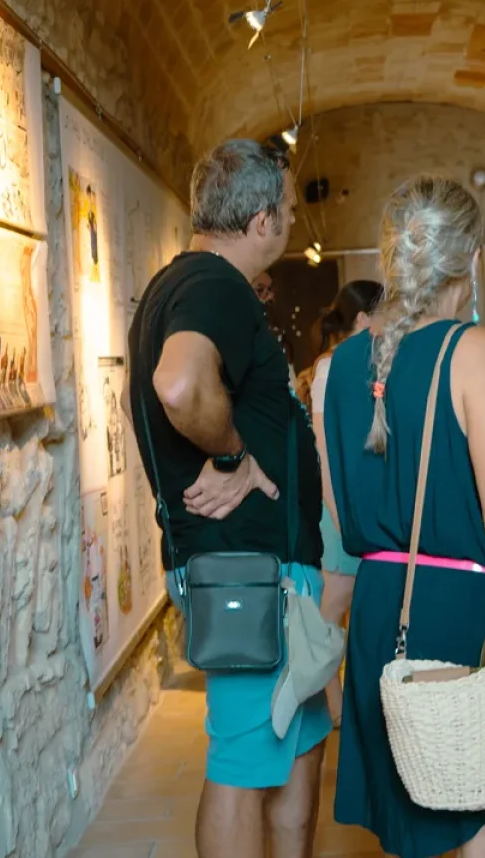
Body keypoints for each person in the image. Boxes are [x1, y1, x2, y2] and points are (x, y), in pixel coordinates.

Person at [321, 177, 485, 858]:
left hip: (383, 612)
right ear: (470, 256)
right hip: (467, 613)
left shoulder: (336, 367)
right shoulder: (475, 352)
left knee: (412, 827)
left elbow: (339, 514)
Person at [126, 139, 330, 858]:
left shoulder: (197, 284)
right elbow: (179, 384)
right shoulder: (213, 286)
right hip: (245, 573)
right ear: (264, 220)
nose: (291, 225)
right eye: (290, 211)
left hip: (267, 567)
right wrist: (233, 454)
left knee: (299, 742)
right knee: (244, 765)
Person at [300, 278, 382, 725]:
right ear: (362, 319)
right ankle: (331, 702)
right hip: (340, 503)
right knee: (334, 605)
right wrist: (335, 512)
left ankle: (344, 700)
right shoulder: (333, 366)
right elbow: (324, 446)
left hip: (358, 499)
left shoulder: (367, 362)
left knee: (346, 602)